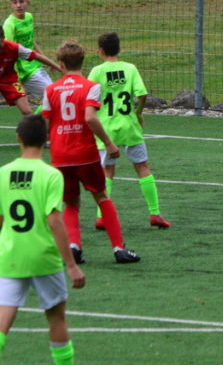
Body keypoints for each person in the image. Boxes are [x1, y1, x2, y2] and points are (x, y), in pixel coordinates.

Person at [0, 114, 90, 365]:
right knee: (56, 317)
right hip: (44, 258)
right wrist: (71, 265)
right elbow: (54, 220)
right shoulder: (51, 175)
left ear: (18, 138)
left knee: (3, 320)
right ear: (47, 139)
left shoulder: (3, 173)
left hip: (11, 255)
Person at [42, 40, 140, 265]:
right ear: (82, 62)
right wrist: (108, 142)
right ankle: (119, 248)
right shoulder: (91, 86)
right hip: (85, 153)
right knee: (102, 197)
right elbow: (89, 117)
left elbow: (45, 123)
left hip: (60, 155)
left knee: (71, 203)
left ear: (61, 64)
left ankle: (74, 247)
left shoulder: (50, 89)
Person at [88, 31, 170, 230]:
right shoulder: (130, 68)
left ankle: (101, 216)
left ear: (100, 51)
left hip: (107, 129)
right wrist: (138, 113)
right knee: (142, 167)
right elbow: (142, 94)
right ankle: (155, 213)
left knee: (107, 171)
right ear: (120, 49)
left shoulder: (97, 71)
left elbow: (88, 97)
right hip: (129, 126)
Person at [3, 0, 54, 103]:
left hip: (35, 66)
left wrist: (44, 59)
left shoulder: (29, 17)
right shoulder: (9, 25)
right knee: (52, 95)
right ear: (11, 4)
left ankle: (39, 114)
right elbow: (8, 51)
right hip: (24, 72)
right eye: (15, 2)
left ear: (28, 2)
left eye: (21, 1)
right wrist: (14, 77)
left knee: (50, 97)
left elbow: (31, 41)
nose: (18, 5)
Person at [0, 24, 60, 117]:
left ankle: (35, 124)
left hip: (11, 82)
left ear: (3, 38)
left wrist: (58, 67)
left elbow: (37, 56)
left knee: (27, 111)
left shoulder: (14, 48)